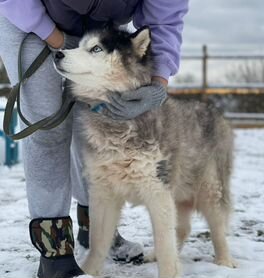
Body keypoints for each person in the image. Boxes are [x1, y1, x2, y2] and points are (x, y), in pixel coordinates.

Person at [0, 0, 189, 277]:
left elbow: (165, 19)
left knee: (98, 122)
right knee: (48, 131)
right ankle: (55, 251)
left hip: (100, 29)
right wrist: (58, 38)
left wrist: (158, 84)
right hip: (29, 21)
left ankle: (98, 229)